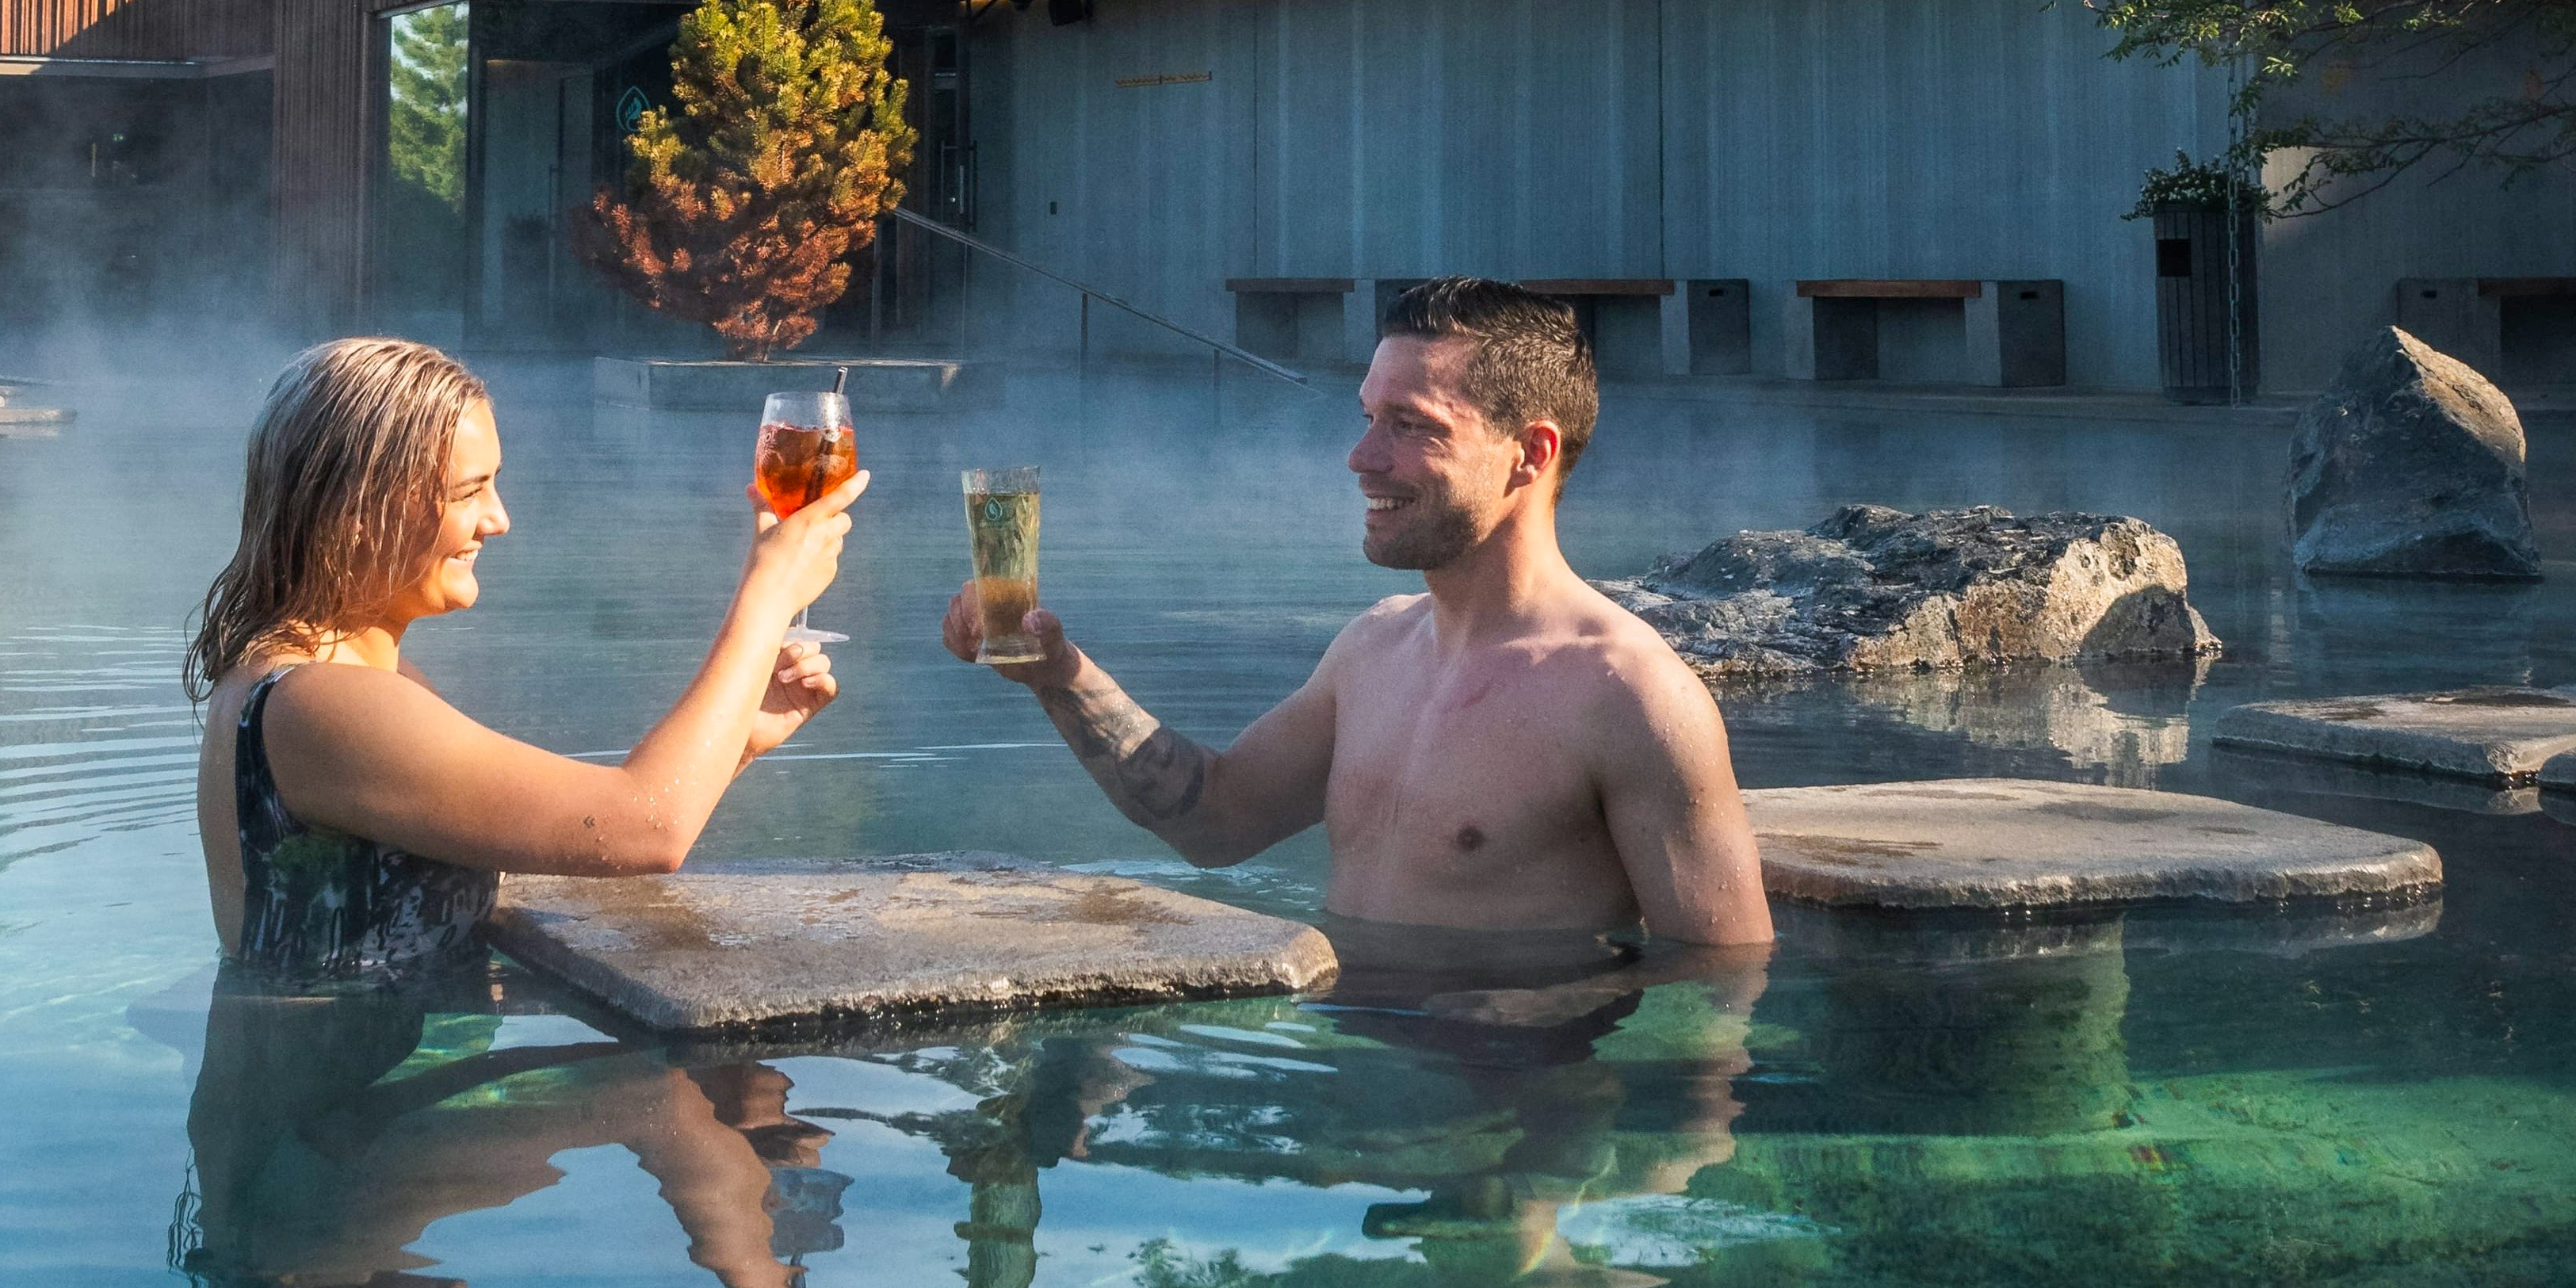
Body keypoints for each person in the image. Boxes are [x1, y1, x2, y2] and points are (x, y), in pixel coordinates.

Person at [941, 277, 1771, 957]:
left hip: (1511, 1121)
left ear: (1531, 451)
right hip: (1351, 1099)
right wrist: (1057, 676)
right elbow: (1218, 820)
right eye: (1368, 416)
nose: (1361, 456)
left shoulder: (1627, 697)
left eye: (1410, 425)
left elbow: (1720, 985)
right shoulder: (1374, 645)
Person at [191, 337, 862, 982]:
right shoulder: (320, 704)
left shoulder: (327, 682)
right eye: (468, 491)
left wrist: (736, 739)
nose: (498, 519)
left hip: (374, 1081)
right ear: (360, 506)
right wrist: (767, 593)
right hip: (358, 1097)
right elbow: (645, 827)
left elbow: (569, 834)